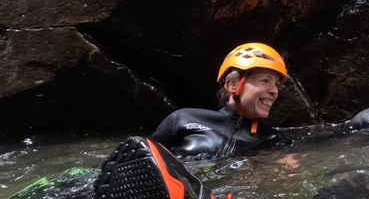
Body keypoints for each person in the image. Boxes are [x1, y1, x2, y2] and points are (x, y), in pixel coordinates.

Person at [93, 42, 290, 199]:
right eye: (265, 81)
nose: (274, 91)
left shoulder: (274, 139)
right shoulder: (185, 118)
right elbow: (143, 161)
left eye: (277, 85)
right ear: (232, 84)